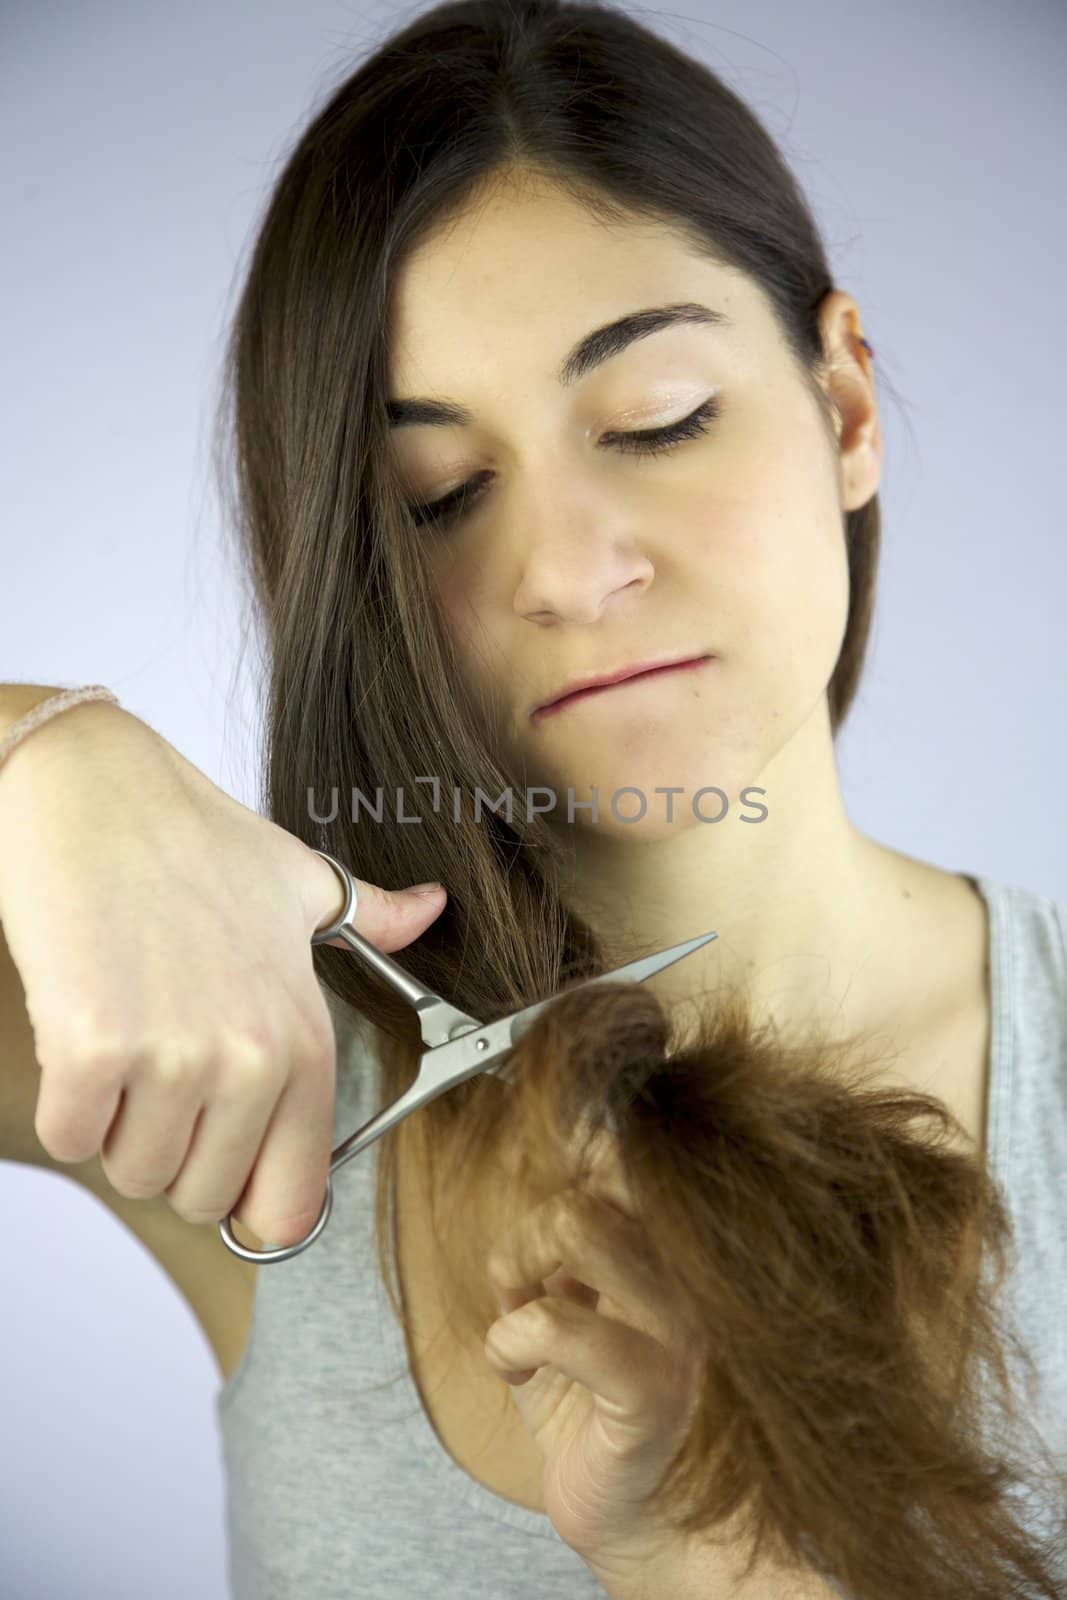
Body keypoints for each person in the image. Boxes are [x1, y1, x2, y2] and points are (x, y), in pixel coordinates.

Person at [1, 1, 1064, 1596]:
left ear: (845, 407)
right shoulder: (243, 1063)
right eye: (439, 500)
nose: (570, 572)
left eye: (657, 421)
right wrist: (58, 756)